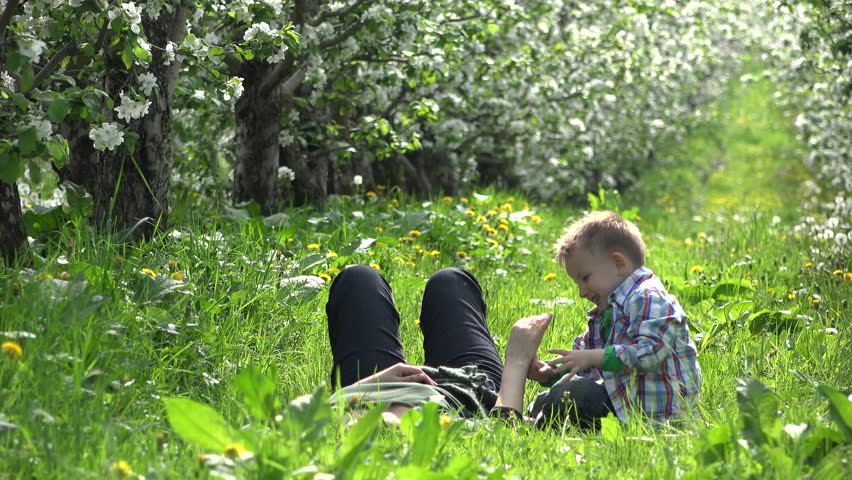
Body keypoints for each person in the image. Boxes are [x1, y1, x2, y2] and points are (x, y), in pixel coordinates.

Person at [525, 210, 702, 428]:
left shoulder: (647, 297)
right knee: (552, 396)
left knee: (572, 394)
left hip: (657, 417)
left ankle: (536, 425)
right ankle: (536, 421)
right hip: (624, 405)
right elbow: (585, 362)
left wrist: (594, 357)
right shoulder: (608, 310)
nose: (582, 292)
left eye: (586, 278)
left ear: (618, 263)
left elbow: (649, 352)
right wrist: (549, 374)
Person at [326, 264, 505, 424]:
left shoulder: (347, 429)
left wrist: (368, 384)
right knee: (451, 281)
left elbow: (313, 419)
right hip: (468, 393)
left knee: (358, 279)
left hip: (370, 392)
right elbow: (509, 419)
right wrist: (517, 361)